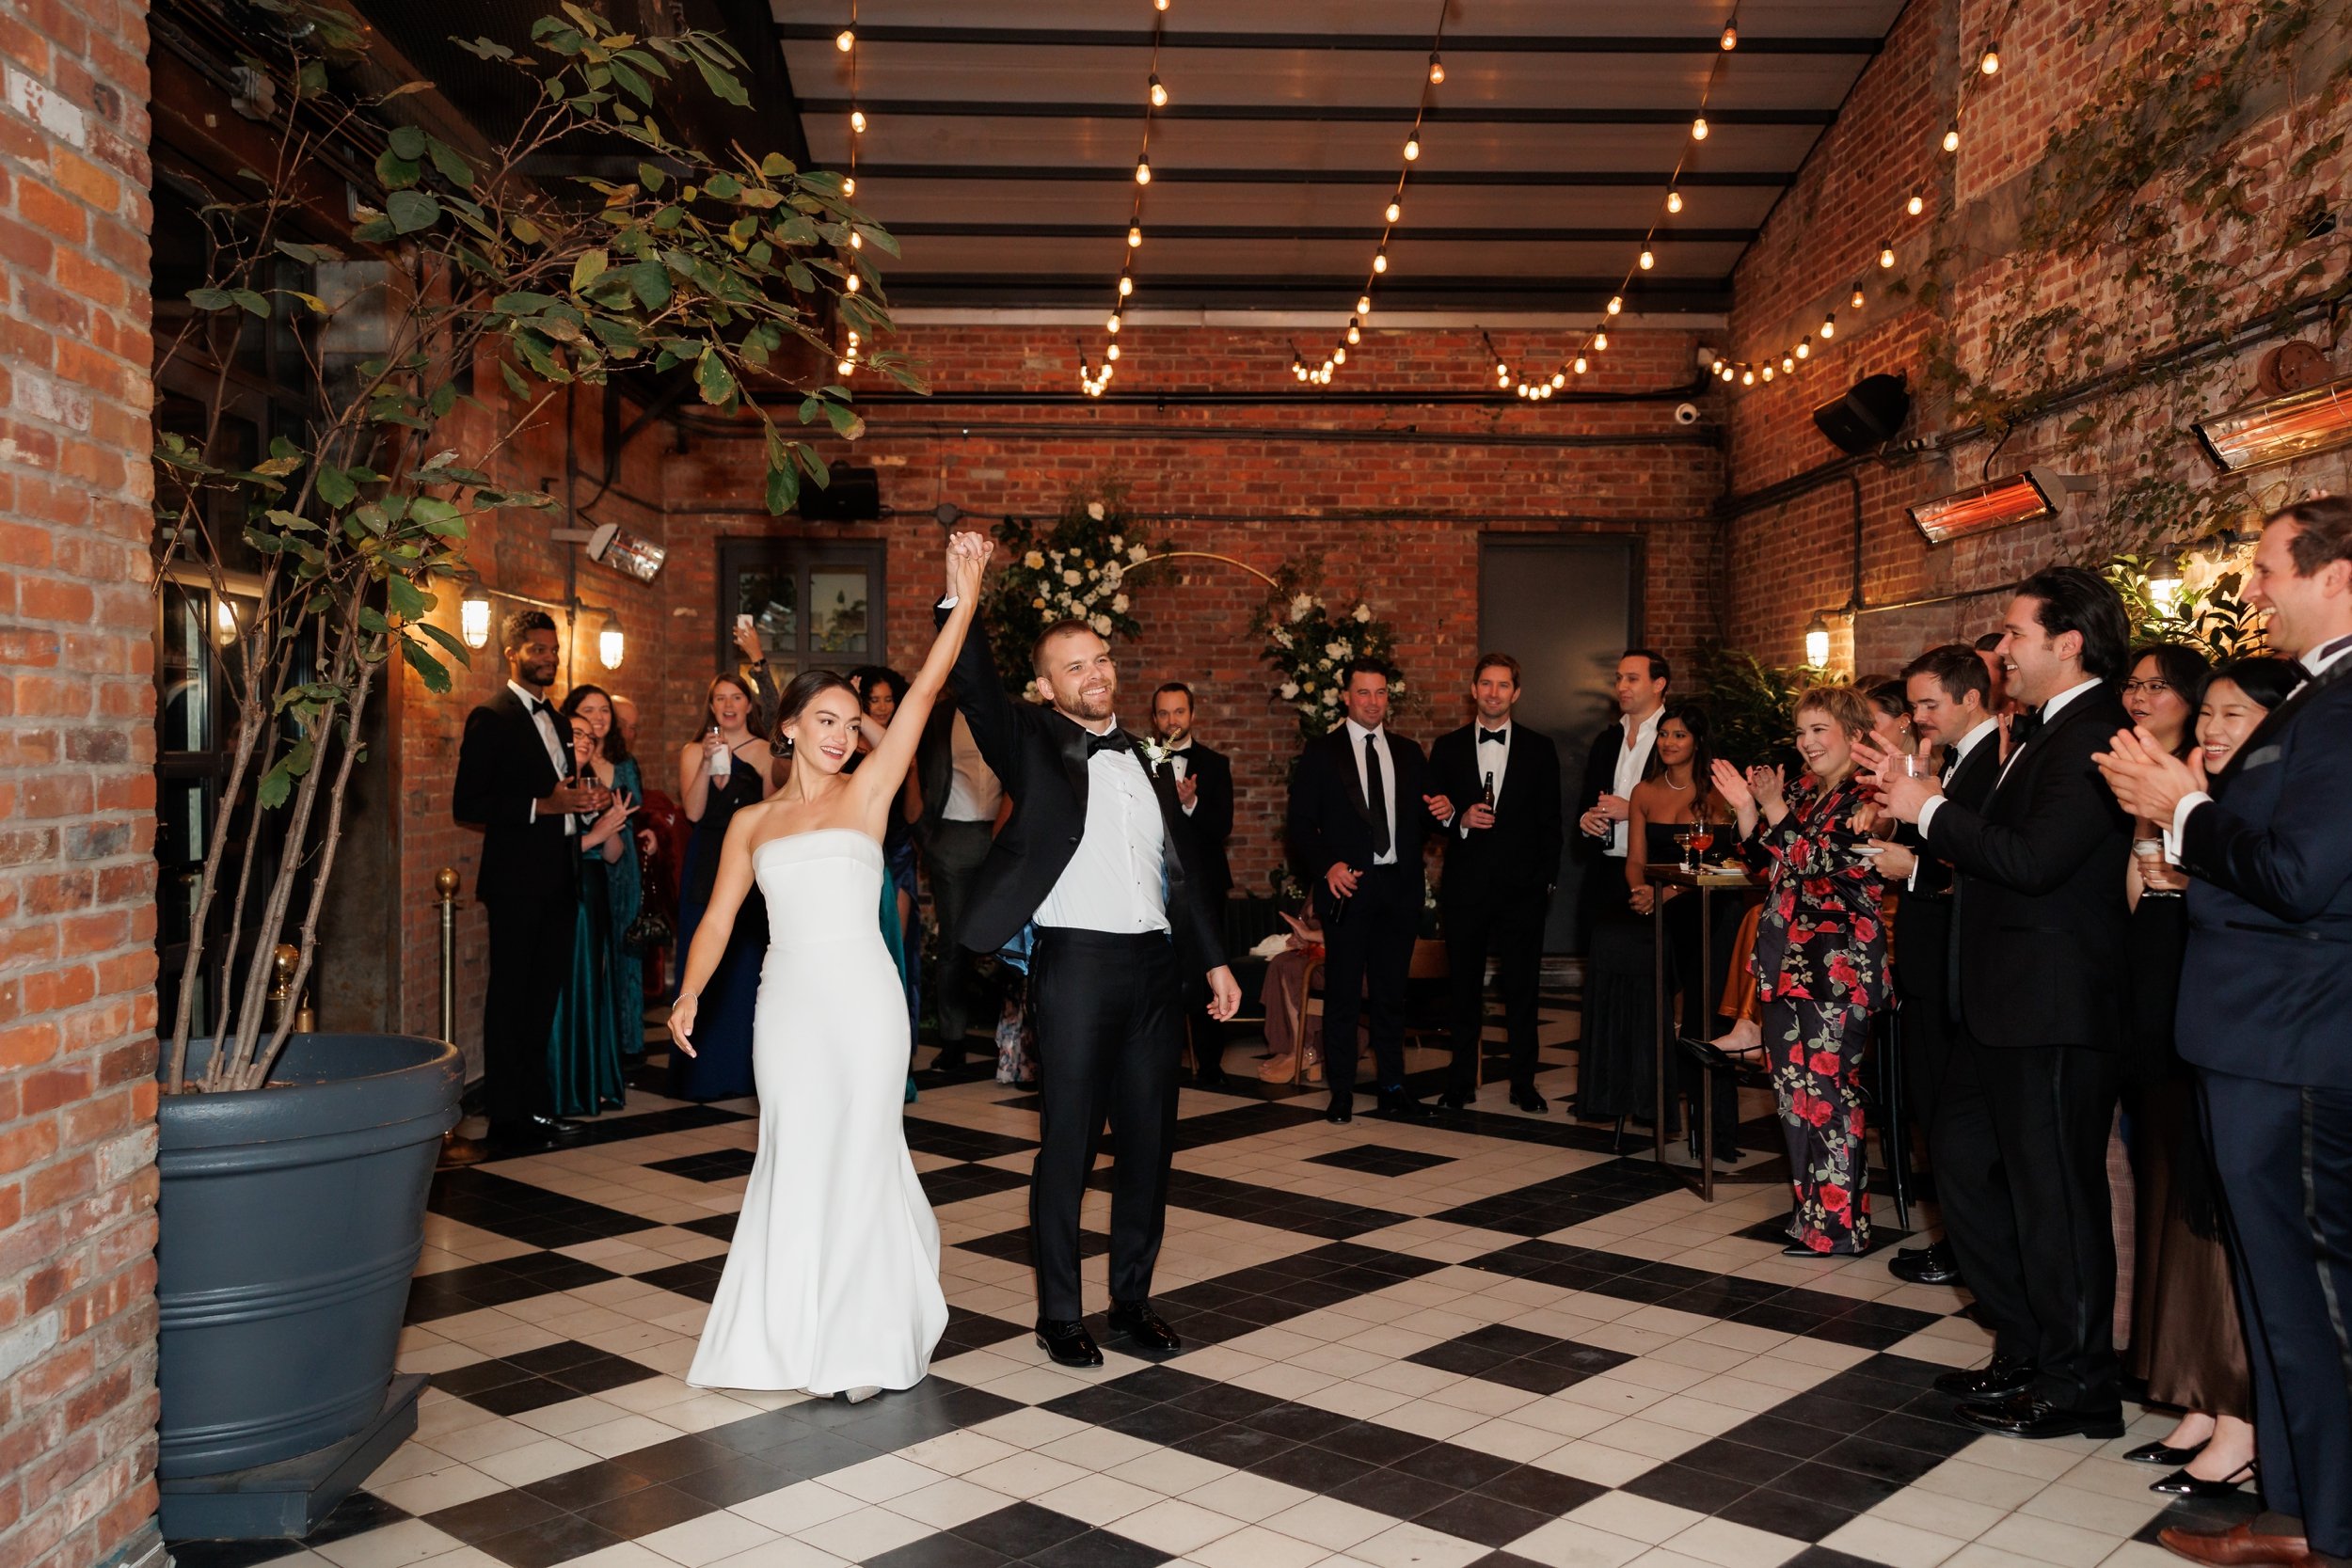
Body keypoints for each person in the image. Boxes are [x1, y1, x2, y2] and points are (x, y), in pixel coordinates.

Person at [673, 532, 992, 1403]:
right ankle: (786, 1336)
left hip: (864, 1000)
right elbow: (717, 918)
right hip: (788, 1005)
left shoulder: (870, 793)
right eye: (826, 720)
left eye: (852, 725)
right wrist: (692, 991)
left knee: (861, 1147)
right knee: (794, 1148)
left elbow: (926, 692)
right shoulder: (753, 825)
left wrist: (962, 601)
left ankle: (861, 1336)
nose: (842, 737)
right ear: (787, 725)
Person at [2096, 498, 2352, 1568]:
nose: (2248, 590)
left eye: (2263, 569)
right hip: (2257, 1034)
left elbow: (2303, 877)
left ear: (2336, 571)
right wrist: (2194, 817)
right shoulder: (2319, 696)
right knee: (2273, 1294)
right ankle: (2298, 1509)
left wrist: (2182, 809)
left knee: (2315, 1300)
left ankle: (2332, 1522)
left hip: (2293, 1040)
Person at [935, 565, 1242, 1370]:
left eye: (1101, 658)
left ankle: (1133, 1301)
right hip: (1075, 966)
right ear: (1046, 685)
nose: (1096, 672)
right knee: (1068, 1145)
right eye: (1076, 664)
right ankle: (1060, 1313)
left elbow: (1181, 869)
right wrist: (963, 597)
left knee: (1149, 1145)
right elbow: (972, 684)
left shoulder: (1144, 755)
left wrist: (1212, 961)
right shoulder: (1032, 740)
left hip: (1153, 968)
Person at [1864, 565, 2135, 1441]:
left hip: (2055, 1007)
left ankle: (2080, 1382)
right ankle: (2026, 1342)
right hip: (2002, 1004)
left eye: (2015, 634)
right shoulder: (2043, 732)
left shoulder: (2095, 732)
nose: (2003, 648)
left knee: (2056, 1196)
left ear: (2069, 642)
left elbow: (2035, 859)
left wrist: (1928, 807)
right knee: (1970, 1163)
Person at [2121, 653, 2293, 1504]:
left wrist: (2186, 866)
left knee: (2221, 1220)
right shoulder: (2198, 799)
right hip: (2170, 1020)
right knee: (2178, 1212)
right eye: (2213, 713)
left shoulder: (2259, 815)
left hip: (2239, 1031)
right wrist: (2160, 833)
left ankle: (2242, 1418)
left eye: (2237, 715)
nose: (2218, 729)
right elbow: (2138, 898)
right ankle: (2195, 1394)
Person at [1709, 686, 1887, 1256]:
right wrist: (1746, 807)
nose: (1805, 743)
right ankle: (1812, 1220)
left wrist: (1772, 808)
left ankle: (1841, 1228)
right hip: (1787, 964)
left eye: (1818, 730)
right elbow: (1764, 862)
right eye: (1801, 731)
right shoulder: (1807, 795)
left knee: (1831, 1094)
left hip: (1837, 969)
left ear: (1855, 736)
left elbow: (1816, 863)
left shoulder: (1870, 797)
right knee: (1794, 1095)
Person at [1868, 645, 2001, 1291]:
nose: (1918, 716)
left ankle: (1965, 1251)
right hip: (1928, 953)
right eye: (1913, 704)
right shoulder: (1951, 761)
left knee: (1953, 1120)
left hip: (1956, 957)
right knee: (1933, 1109)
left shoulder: (1990, 763)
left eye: (1927, 704)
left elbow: (1975, 860)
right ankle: (1954, 1240)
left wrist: (1912, 866)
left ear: (1970, 697)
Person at [452, 610, 608, 1155]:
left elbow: (560, 793)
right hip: (516, 882)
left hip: (559, 879)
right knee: (511, 999)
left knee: (543, 1000)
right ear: (512, 652)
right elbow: (467, 803)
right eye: (537, 649)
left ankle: (537, 1109)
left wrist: (582, 802)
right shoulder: (490, 717)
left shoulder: (561, 722)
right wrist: (546, 805)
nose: (549, 657)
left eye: (554, 649)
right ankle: (507, 1118)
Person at [1289, 659, 1433, 1126]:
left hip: (1399, 890)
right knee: (1344, 996)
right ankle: (1343, 1092)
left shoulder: (1410, 754)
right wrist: (1327, 865)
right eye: (1364, 693)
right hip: (1347, 888)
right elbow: (1298, 825)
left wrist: (1447, 811)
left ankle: (1393, 1086)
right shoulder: (1320, 752)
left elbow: (1424, 821)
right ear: (1347, 697)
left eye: (1381, 693)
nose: (1373, 702)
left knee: (1392, 996)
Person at [1423, 654, 1564, 1113]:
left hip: (1523, 891)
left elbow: (1551, 824)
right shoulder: (1446, 747)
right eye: (1486, 684)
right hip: (1466, 889)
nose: (1493, 693)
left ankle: (1524, 1084)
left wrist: (1545, 883)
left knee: (1522, 991)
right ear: (1473, 689)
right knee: (1462, 989)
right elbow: (1431, 817)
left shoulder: (1541, 749)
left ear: (1516, 693)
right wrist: (1459, 820)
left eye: (1503, 686)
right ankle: (1461, 1081)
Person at [1624, 704, 1740, 1162]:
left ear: (1698, 742)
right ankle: (1654, 1107)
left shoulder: (1715, 794)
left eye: (1680, 736)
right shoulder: (1644, 792)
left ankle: (1715, 1129)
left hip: (1708, 907)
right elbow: (1635, 858)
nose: (1670, 743)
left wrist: (1666, 893)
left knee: (1705, 1012)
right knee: (1648, 995)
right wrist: (1638, 890)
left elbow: (1716, 864)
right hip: (1656, 906)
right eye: (1665, 735)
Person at [669, 673, 774, 1102]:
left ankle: (748, 1072)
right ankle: (701, 1072)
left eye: (736, 697)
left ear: (749, 705)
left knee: (747, 966)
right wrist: (706, 767)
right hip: (707, 858)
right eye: (719, 699)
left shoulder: (767, 751)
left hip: (749, 857)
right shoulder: (693, 749)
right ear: (710, 707)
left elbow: (771, 809)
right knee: (703, 954)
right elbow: (693, 812)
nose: (728, 705)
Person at [546, 710, 636, 1116]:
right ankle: (567, 1084)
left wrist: (613, 827)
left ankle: (595, 1079)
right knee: (571, 986)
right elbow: (547, 853)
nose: (583, 739)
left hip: (595, 892)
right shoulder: (553, 789)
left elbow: (612, 854)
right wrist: (598, 834)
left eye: (588, 735)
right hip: (568, 893)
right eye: (574, 733)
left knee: (595, 985)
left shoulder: (596, 787)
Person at [914, 675, 1004, 1071]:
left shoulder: (1009, 712)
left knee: (1011, 941)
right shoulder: (938, 717)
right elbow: (913, 769)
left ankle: (1016, 1041)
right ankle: (953, 1040)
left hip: (1003, 836)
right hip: (952, 835)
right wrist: (927, 834)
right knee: (954, 943)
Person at [1152, 682, 1236, 1087]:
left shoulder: (1216, 764)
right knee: (1161, 971)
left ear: (1192, 715)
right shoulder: (1146, 761)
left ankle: (1211, 1063)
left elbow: (1223, 827)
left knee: (1211, 967)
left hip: (1205, 884)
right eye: (1164, 713)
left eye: (1179, 712)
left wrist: (1191, 804)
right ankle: (1161, 1058)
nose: (1172, 720)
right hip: (1159, 885)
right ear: (1155, 719)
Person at [564, 685, 648, 1066]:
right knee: (592, 957)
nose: (598, 718)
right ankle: (597, 1048)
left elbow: (637, 812)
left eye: (604, 712)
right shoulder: (566, 766)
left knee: (625, 950)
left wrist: (645, 835)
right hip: (584, 864)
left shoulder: (624, 762)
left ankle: (628, 1043)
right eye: (588, 711)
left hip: (622, 858)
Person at [848, 666, 923, 1050]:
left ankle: (895, 1050)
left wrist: (910, 772)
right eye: (872, 700)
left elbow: (912, 815)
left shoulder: (901, 747)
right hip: (854, 860)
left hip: (897, 856)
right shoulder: (842, 746)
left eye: (888, 699)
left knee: (894, 953)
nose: (881, 707)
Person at [1575, 650, 1669, 936]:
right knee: (1602, 960)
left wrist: (1630, 810)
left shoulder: (1676, 737)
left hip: (1656, 873)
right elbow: (1588, 800)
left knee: (1649, 967)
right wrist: (1585, 821)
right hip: (1604, 870)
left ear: (1658, 684)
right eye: (1618, 679)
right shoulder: (1606, 739)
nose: (1621, 687)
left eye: (1632, 679)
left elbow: (1689, 807)